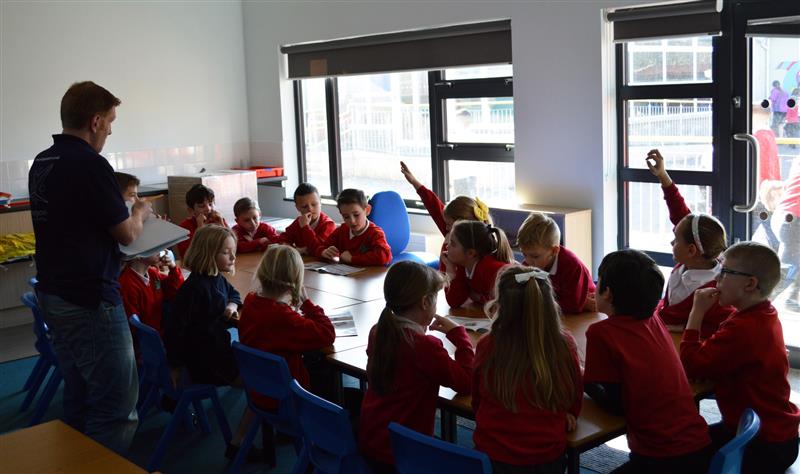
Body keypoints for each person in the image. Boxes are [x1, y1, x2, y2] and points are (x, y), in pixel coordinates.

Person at [28, 81, 152, 453]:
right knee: (116, 411)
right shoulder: (91, 165)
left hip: (55, 292)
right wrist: (140, 211)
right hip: (90, 300)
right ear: (95, 121)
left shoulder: (43, 161)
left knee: (80, 397)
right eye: (111, 121)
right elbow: (127, 234)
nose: (111, 130)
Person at [584, 249, 712, 474]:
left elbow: (615, 406)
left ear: (608, 293)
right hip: (699, 447)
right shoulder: (654, 319)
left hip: (660, 458)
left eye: (599, 281)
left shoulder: (601, 333)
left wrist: (579, 375)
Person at [681, 242, 800, 474]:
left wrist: (696, 313)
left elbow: (690, 365)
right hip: (774, 432)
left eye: (725, 272)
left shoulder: (746, 328)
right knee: (688, 441)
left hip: (765, 444)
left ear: (750, 284)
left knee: (680, 452)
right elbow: (716, 356)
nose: (717, 279)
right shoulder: (761, 313)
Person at [358, 261, 474, 472]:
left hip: (372, 440)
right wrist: (459, 336)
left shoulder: (379, 331)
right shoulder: (424, 346)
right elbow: (466, 382)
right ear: (424, 303)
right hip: (404, 454)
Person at [472, 266, 582, 473]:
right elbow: (573, 396)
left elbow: (477, 399)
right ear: (550, 305)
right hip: (546, 459)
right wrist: (569, 414)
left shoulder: (488, 345)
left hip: (492, 457)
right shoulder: (564, 344)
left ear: (500, 306)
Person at [646, 149, 735, 337]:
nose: (671, 241)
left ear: (691, 249)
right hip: (660, 327)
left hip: (680, 342)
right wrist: (663, 175)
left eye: (676, 240)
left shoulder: (717, 291)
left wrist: (685, 327)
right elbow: (679, 212)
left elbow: (725, 326)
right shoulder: (694, 257)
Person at [239, 244, 335, 410]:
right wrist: (307, 303)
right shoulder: (283, 317)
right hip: (288, 399)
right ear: (295, 280)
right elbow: (327, 333)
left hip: (260, 390)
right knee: (325, 370)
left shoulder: (250, 301)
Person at [163, 225, 241, 387]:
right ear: (208, 255)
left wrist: (232, 306)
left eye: (233, 251)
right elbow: (175, 328)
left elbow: (234, 293)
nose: (233, 257)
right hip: (206, 359)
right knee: (255, 380)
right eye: (226, 253)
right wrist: (175, 365)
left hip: (217, 347)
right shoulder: (195, 287)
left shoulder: (216, 277)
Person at [400, 161, 491, 270]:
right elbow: (434, 205)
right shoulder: (452, 232)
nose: (446, 227)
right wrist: (414, 182)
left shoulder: (468, 248)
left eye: (449, 224)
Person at [516, 212, 596, 313]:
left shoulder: (571, 265)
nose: (527, 261)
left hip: (585, 313)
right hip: (561, 311)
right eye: (524, 254)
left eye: (534, 256)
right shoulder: (530, 264)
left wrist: (538, 302)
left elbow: (573, 305)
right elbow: (520, 293)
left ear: (554, 251)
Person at [444, 220, 514, 308]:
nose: (447, 246)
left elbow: (506, 305)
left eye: (453, 244)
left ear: (470, 253)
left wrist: (479, 297)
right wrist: (450, 270)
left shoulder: (494, 270)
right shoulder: (463, 266)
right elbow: (453, 302)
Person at [315, 188, 392, 266]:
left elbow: (385, 256)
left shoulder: (375, 233)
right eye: (346, 217)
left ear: (367, 210)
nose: (352, 221)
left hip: (366, 276)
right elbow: (320, 247)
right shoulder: (342, 230)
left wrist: (352, 259)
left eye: (356, 215)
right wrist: (323, 252)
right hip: (345, 275)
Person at [119, 249, 183, 334]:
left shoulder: (152, 273)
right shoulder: (127, 284)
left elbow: (175, 291)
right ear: (137, 255)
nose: (160, 250)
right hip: (146, 339)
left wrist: (173, 267)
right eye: (153, 247)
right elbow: (134, 326)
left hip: (158, 332)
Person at [277, 183, 336, 254]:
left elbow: (318, 248)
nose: (310, 209)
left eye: (314, 204)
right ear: (298, 207)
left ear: (320, 203)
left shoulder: (328, 224)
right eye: (304, 206)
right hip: (304, 262)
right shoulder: (299, 222)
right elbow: (282, 239)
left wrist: (305, 227)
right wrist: (294, 249)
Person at [176, 184, 228, 257]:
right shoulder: (183, 228)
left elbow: (231, 246)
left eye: (210, 204)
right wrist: (200, 229)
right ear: (191, 210)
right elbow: (187, 256)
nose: (208, 209)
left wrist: (222, 225)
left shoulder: (218, 221)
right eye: (202, 206)